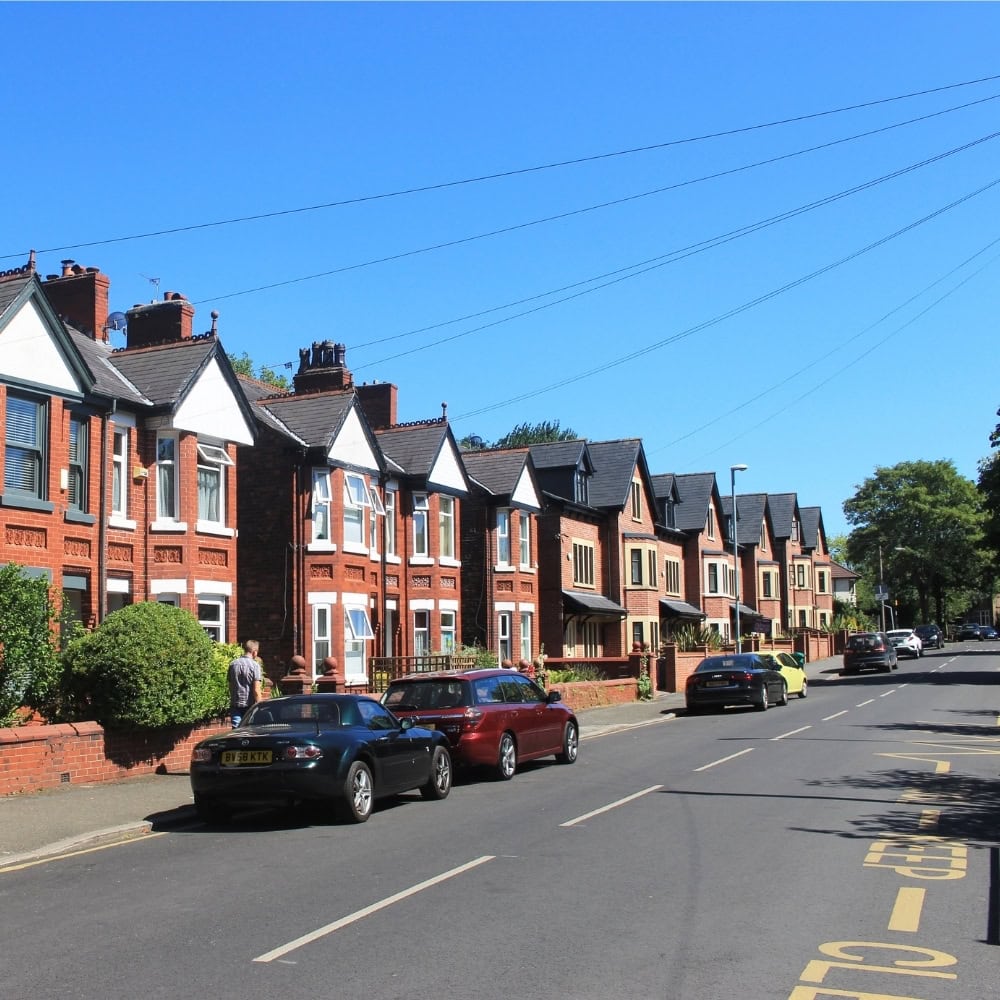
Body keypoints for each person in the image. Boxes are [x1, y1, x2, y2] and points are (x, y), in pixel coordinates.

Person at [228, 639, 262, 729]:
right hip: (249, 705)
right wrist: (260, 706)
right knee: (249, 730)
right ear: (254, 652)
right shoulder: (255, 666)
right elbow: (256, 690)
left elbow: (230, 686)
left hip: (235, 704)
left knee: (236, 730)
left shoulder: (233, 664)